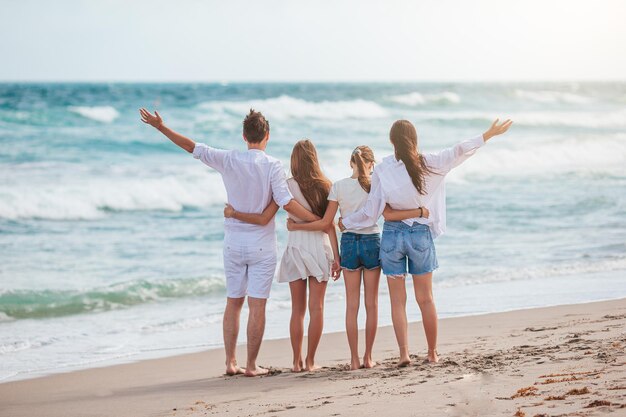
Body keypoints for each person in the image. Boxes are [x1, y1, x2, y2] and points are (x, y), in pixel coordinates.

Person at [139, 108, 319, 377]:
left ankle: (230, 362)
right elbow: (286, 202)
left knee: (233, 302)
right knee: (257, 305)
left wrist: (161, 127)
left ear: (244, 136)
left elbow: (191, 146)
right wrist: (319, 219)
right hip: (261, 245)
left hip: (233, 243)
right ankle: (251, 366)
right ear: (266, 136)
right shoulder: (273, 165)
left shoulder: (228, 159)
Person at [339, 119, 513, 366]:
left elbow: (372, 210)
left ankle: (404, 354)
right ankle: (432, 353)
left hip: (391, 236)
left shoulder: (383, 168)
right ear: (414, 139)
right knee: (426, 298)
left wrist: (346, 222)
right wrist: (487, 135)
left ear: (392, 141)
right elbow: (459, 150)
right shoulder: (431, 162)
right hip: (420, 234)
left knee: (398, 301)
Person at [287, 145, 429, 370]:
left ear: (351, 163)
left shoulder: (338, 187)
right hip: (372, 241)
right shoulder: (376, 185)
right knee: (371, 304)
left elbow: (328, 222)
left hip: (349, 244)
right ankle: (368, 358)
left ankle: (353, 360)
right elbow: (387, 213)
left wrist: (295, 226)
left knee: (351, 306)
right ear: (371, 164)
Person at [225, 139, 340, 372]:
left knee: (297, 310)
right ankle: (310, 362)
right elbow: (329, 226)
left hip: (296, 249)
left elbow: (273, 212)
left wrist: (295, 226)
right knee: (317, 308)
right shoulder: (326, 186)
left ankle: (296, 362)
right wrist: (337, 257)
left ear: (294, 160)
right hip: (320, 248)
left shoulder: (286, 185)